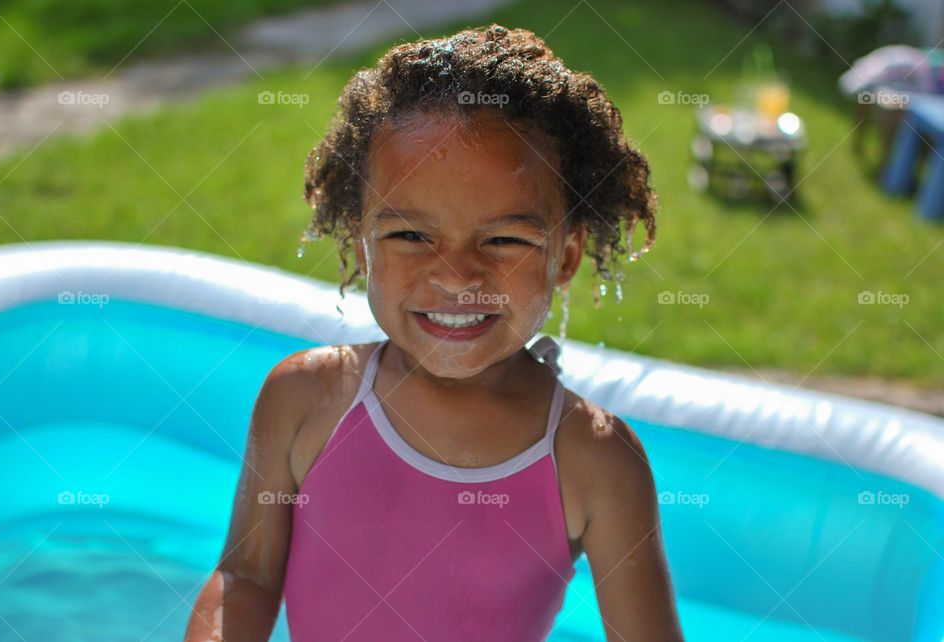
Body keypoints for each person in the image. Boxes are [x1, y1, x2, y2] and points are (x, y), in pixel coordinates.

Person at [184, 23, 684, 642]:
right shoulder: (305, 400)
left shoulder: (596, 461)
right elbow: (247, 578)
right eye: (410, 236)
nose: (455, 276)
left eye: (504, 240)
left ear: (566, 257)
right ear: (363, 246)